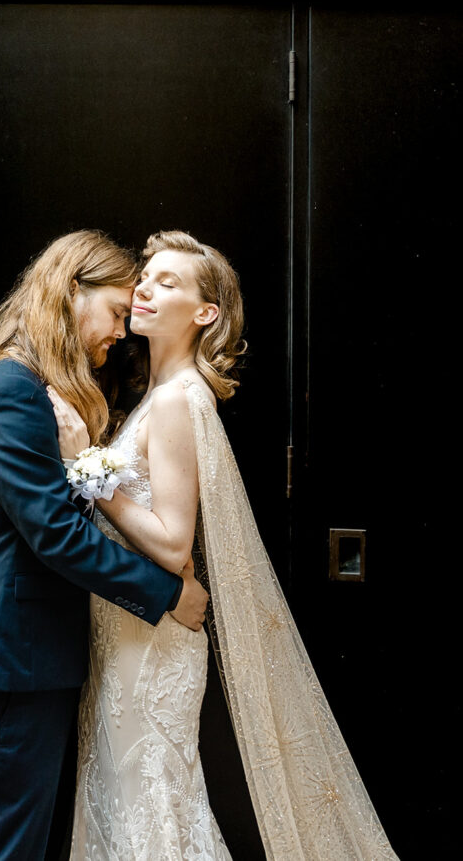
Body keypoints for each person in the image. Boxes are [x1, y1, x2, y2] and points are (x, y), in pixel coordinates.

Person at [48, 230, 399, 861]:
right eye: (146, 276)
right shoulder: (155, 397)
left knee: (151, 816)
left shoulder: (181, 401)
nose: (145, 289)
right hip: (125, 640)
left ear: (205, 312)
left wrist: (87, 471)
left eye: (169, 282)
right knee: (128, 810)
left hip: (150, 651)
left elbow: (175, 546)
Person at [0, 230, 209, 861]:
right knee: (1, 848)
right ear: (70, 293)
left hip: (31, 655)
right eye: (117, 311)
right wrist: (168, 592)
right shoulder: (12, 390)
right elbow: (56, 534)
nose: (122, 331)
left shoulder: (42, 389)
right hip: (7, 655)